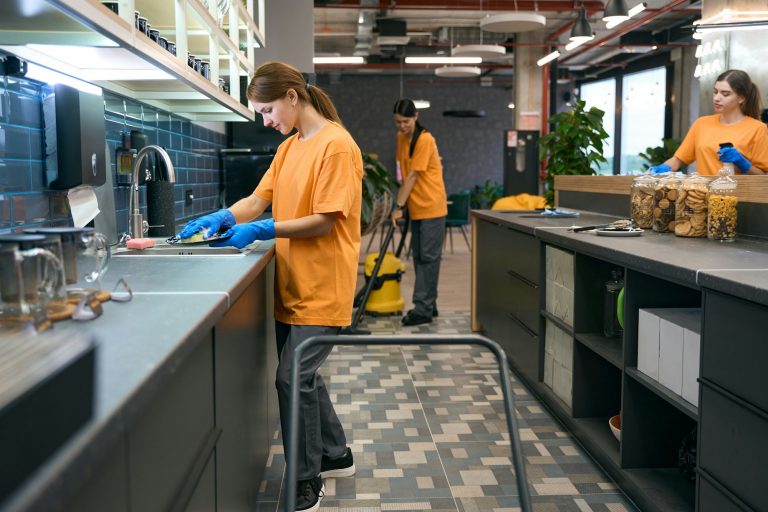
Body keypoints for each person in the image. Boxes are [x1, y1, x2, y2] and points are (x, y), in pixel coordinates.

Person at [178, 61, 362, 512]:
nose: (266, 121)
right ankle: (336, 454)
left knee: (290, 379)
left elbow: (323, 221)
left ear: (292, 98)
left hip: (323, 284)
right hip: (293, 285)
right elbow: (258, 200)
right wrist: (223, 216)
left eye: (267, 110)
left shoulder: (336, 146)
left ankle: (305, 477)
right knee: (303, 377)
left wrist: (264, 230)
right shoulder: (290, 148)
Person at [391, 98, 448, 326]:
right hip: (416, 207)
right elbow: (402, 171)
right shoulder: (401, 138)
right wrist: (404, 203)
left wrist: (398, 206)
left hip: (432, 206)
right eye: (398, 122)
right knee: (418, 256)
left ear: (416, 117)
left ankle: (422, 309)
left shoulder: (425, 139)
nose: (402, 126)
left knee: (428, 258)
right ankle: (429, 304)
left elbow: (413, 175)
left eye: (406, 121)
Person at [650, 69, 768, 176]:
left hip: (739, 198)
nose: (717, 98)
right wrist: (662, 168)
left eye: (725, 94)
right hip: (702, 195)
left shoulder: (758, 129)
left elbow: (763, 176)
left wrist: (743, 164)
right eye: (715, 92)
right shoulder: (701, 124)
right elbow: (677, 160)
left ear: (741, 98)